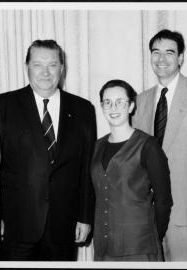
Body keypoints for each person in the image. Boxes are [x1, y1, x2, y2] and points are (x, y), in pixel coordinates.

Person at [0, 39, 96, 261]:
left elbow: (87, 168)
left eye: (52, 64)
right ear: (27, 67)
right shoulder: (3, 105)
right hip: (15, 225)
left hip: (63, 226)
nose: (45, 72)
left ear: (62, 68)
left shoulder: (83, 109)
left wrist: (85, 217)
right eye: (38, 64)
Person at [91, 79, 172, 261]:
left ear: (131, 106)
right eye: (107, 103)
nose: (114, 108)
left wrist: (151, 235)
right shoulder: (96, 147)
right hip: (104, 247)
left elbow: (164, 200)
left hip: (139, 246)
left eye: (120, 102)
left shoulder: (148, 146)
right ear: (102, 107)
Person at [132, 29, 187, 261]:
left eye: (169, 52)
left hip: (182, 215)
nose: (161, 59)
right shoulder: (140, 100)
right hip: (148, 213)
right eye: (156, 52)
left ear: (181, 58)